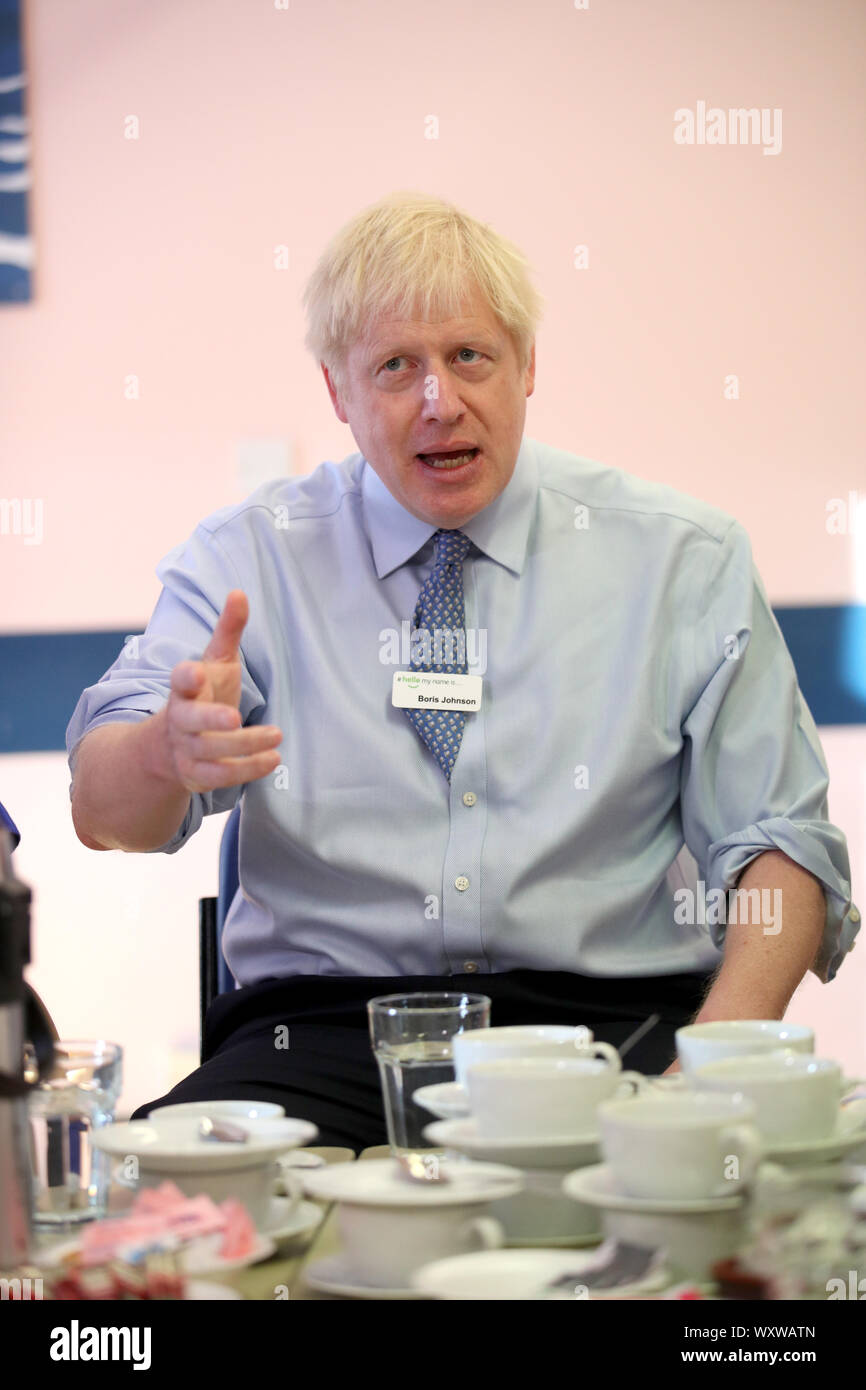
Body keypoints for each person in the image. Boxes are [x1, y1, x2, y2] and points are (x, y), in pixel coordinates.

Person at [65, 191, 859, 1149]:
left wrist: (718, 1056)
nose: (440, 400)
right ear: (337, 393)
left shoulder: (683, 559)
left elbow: (782, 845)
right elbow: (105, 816)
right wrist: (163, 752)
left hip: (614, 1033)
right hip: (320, 1037)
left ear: (528, 366)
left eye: (469, 356)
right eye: (396, 366)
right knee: (156, 1240)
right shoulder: (250, 558)